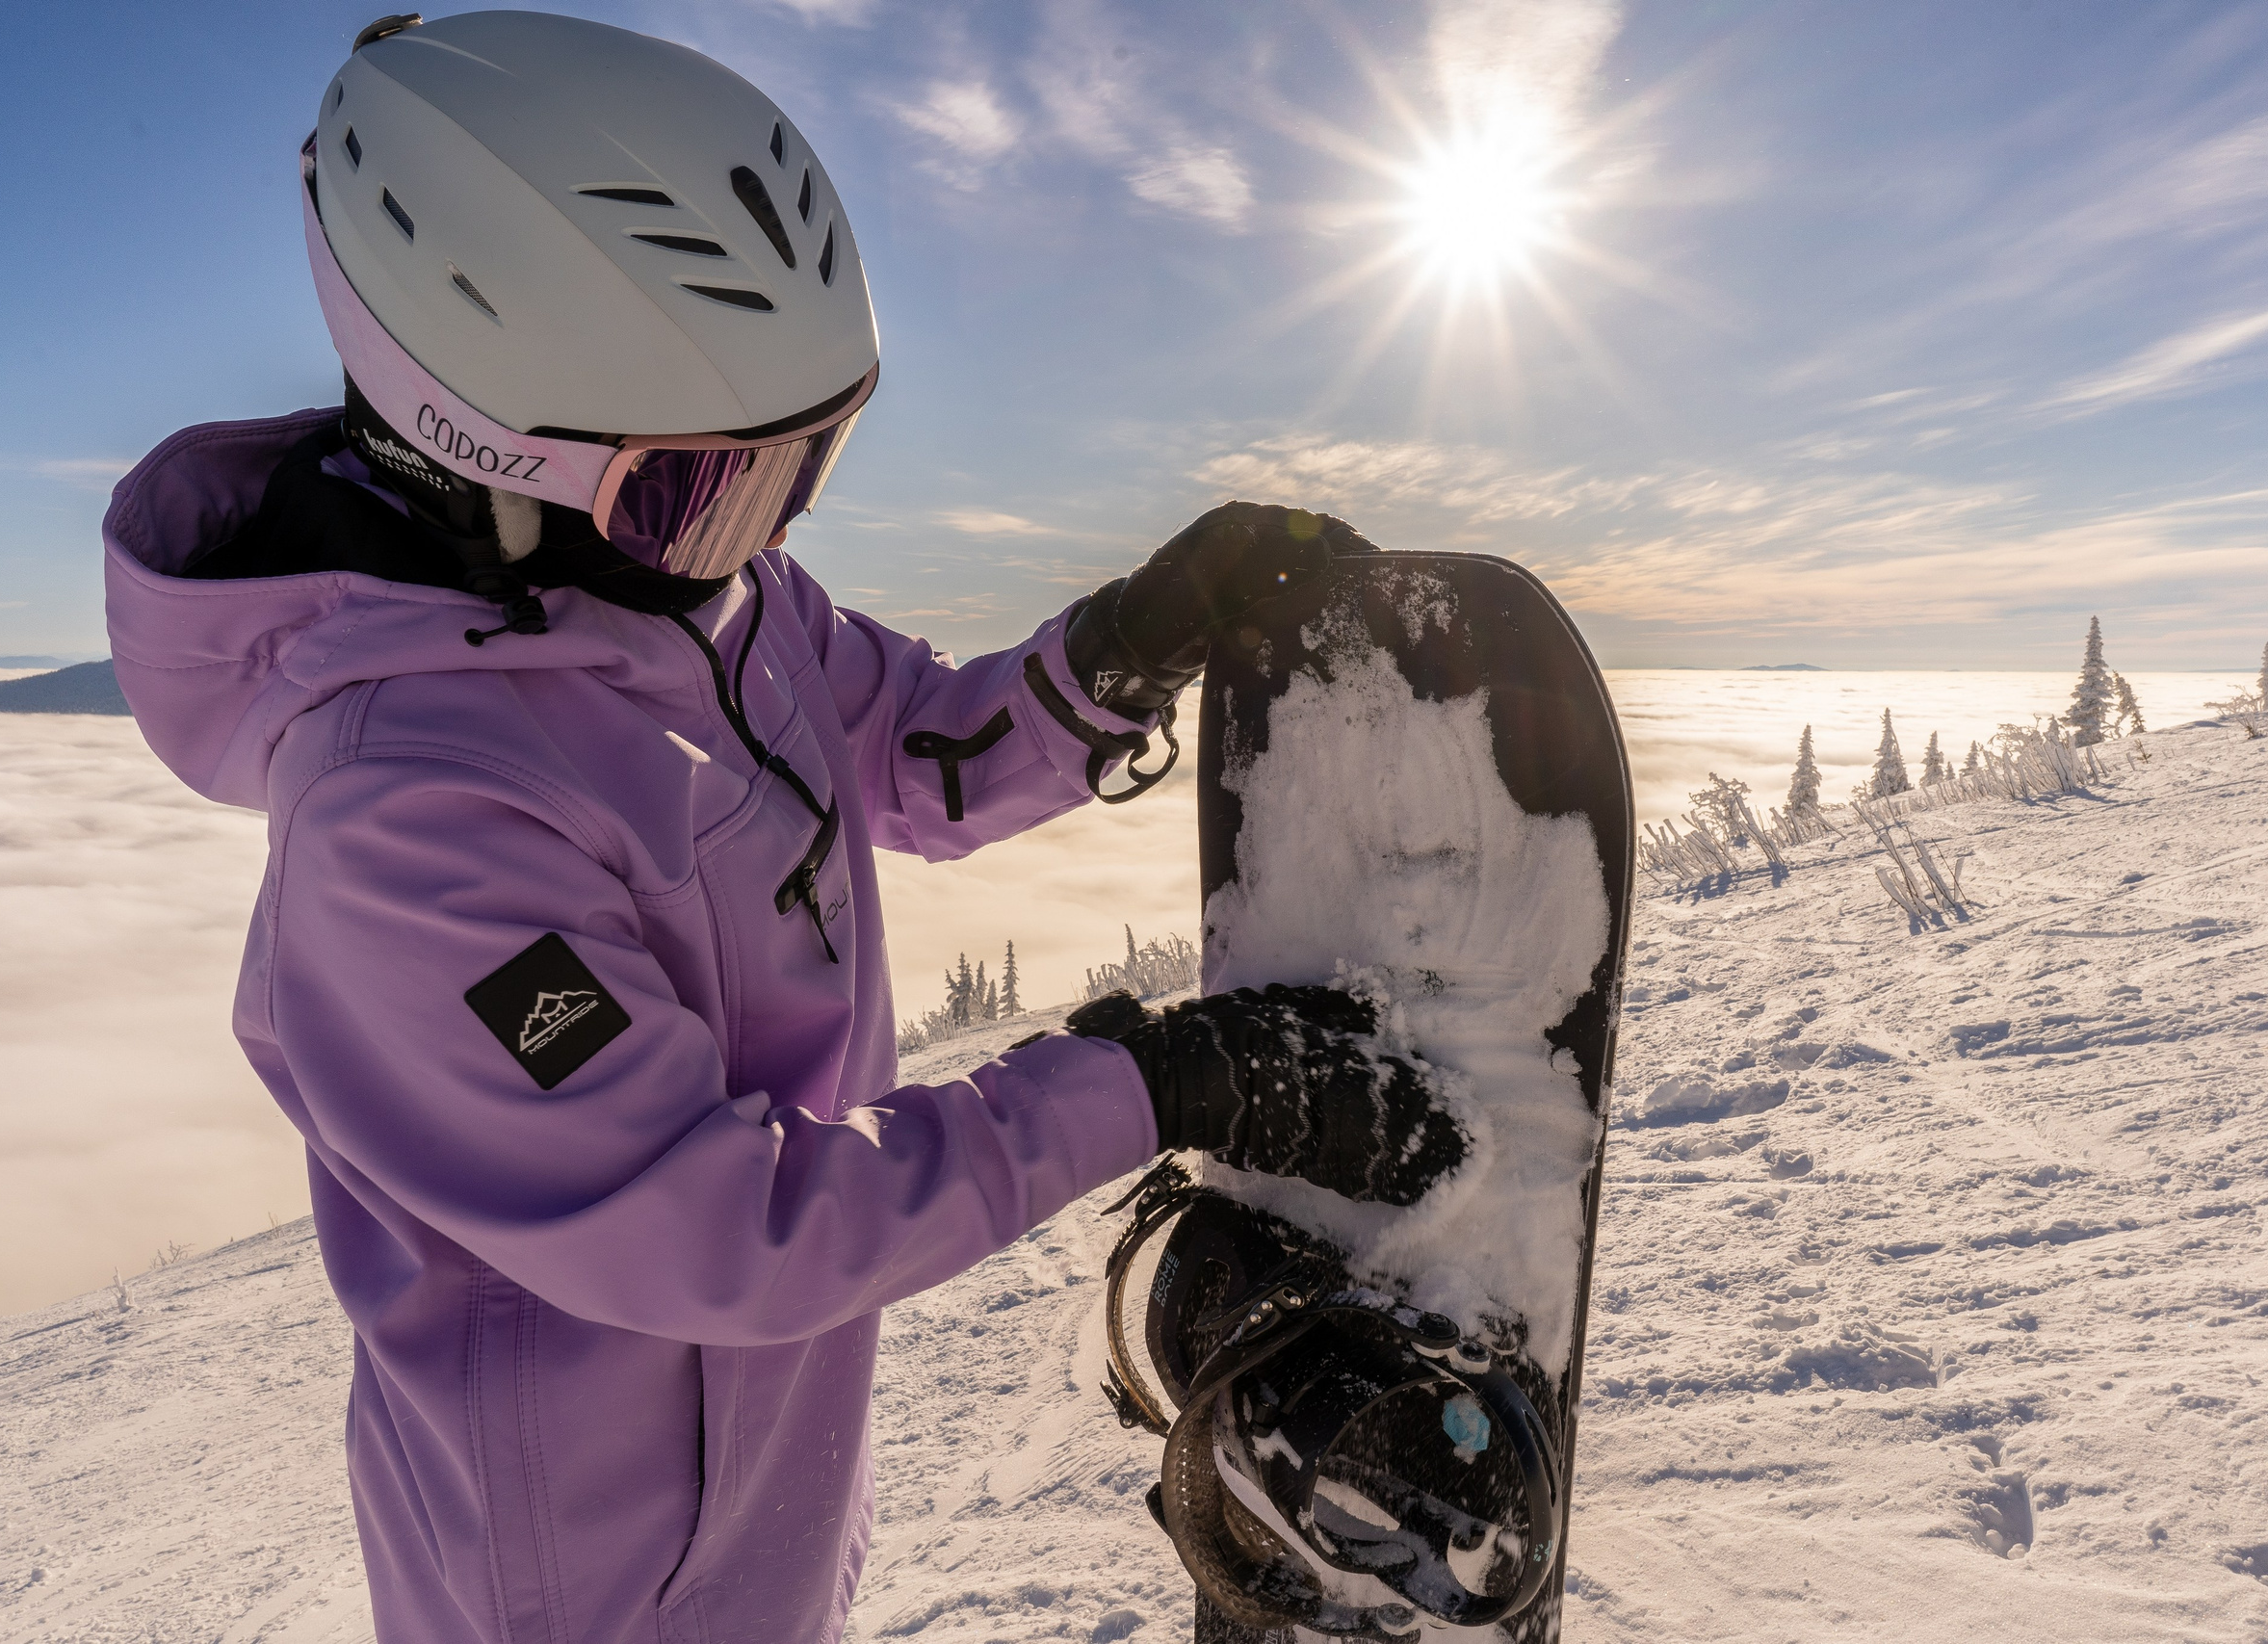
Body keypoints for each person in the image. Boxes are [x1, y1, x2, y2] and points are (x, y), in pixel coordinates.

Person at [103, 13, 1464, 1642]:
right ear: (472, 445)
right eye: (715, 489)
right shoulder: (403, 825)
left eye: (808, 464)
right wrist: (1147, 1082)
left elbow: (907, 750)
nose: (770, 531)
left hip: (762, 1494)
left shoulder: (694, 587)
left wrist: (1122, 645)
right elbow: (725, 1226)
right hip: (583, 1588)